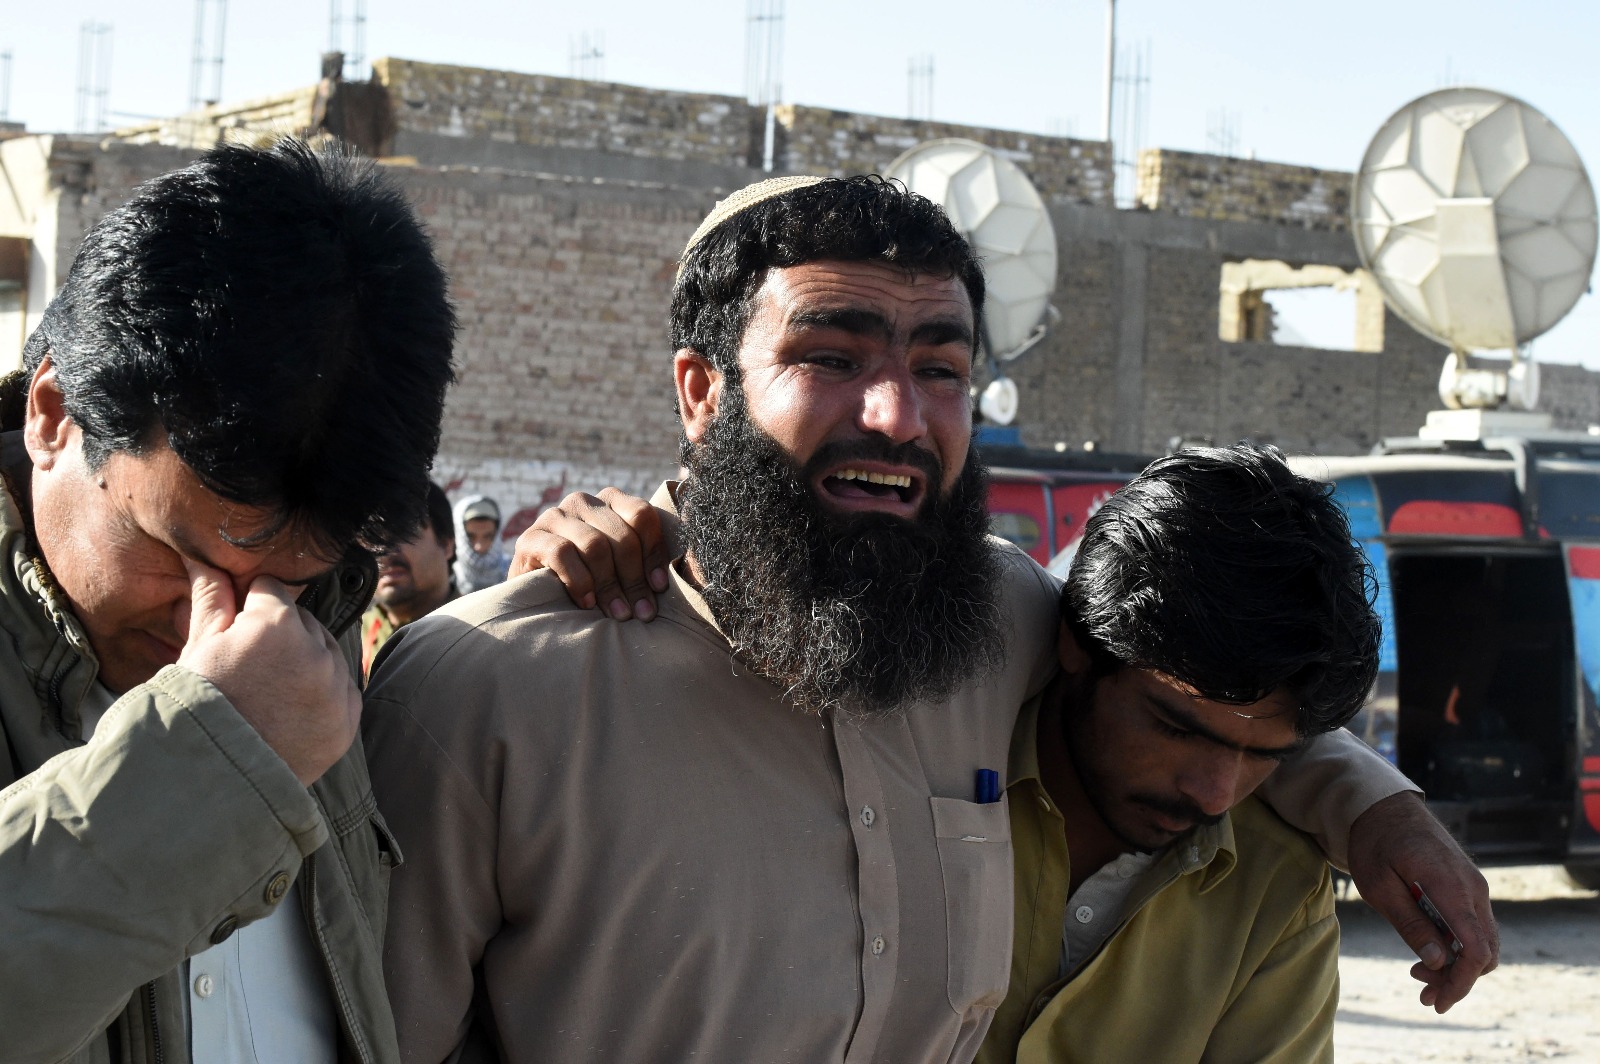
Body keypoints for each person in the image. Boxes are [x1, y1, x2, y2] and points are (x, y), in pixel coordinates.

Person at [365, 175, 1487, 1064]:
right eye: (830, 356)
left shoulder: (991, 619)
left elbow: (1204, 689)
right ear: (702, 391)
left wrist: (1381, 811)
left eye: (938, 366)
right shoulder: (484, 689)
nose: (897, 413)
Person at [0, 139, 456, 1064]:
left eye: (286, 578)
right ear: (53, 413)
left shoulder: (317, 642)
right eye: (178, 555)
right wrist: (206, 763)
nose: (223, 629)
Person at [977, 444, 1377, 1064]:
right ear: (1077, 643)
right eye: (1178, 730)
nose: (1216, 792)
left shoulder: (1277, 888)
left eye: (1264, 757)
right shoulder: (935, 769)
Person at [363, 482, 458, 675]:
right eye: (374, 538)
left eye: (405, 532)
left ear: (447, 545)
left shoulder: (478, 633)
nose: (385, 551)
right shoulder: (348, 634)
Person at [451, 494, 510, 593]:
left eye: (487, 536)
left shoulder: (514, 573)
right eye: (471, 537)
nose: (480, 547)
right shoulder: (446, 579)